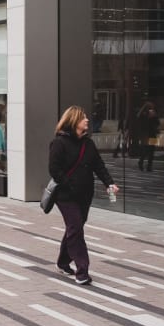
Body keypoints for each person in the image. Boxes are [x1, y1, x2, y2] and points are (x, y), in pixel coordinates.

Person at [48, 106, 118, 285]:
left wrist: (109, 183)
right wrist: (69, 185)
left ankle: (63, 262)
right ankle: (82, 270)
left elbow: (99, 166)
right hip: (66, 196)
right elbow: (54, 169)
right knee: (76, 229)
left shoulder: (88, 144)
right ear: (73, 121)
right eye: (83, 118)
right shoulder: (59, 143)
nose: (87, 120)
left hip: (85, 195)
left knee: (74, 229)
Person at [134, 101, 159, 172]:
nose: (151, 109)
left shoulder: (154, 114)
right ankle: (141, 162)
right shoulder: (143, 114)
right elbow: (138, 117)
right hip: (145, 135)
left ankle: (149, 166)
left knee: (152, 151)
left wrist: (154, 117)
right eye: (150, 107)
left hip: (152, 134)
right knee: (145, 150)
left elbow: (157, 123)